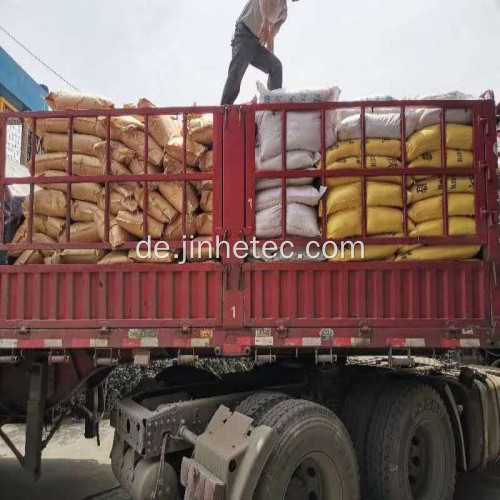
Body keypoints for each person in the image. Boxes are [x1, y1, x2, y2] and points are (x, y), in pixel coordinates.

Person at [220, 0, 297, 105]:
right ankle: (225, 110)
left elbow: (270, 36)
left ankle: (273, 107)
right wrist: (265, 20)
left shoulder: (283, 11)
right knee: (238, 69)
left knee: (276, 66)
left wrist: (269, 60)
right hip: (244, 34)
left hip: (257, 43)